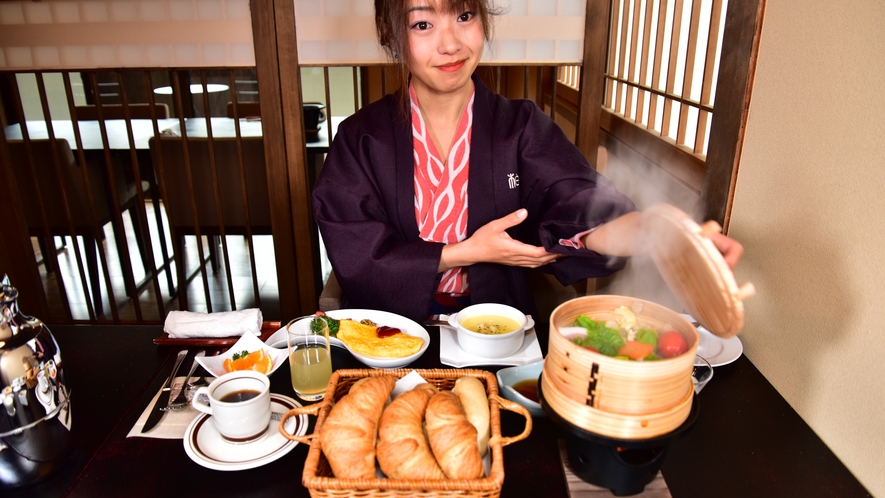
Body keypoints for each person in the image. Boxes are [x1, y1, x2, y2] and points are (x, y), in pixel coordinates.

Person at [312, 0, 742, 325]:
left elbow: (580, 202)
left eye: (464, 17)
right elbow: (356, 253)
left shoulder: (520, 126)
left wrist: (656, 233)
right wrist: (464, 252)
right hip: (392, 336)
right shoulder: (361, 136)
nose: (451, 44)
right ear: (392, 36)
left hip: (497, 333)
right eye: (423, 24)